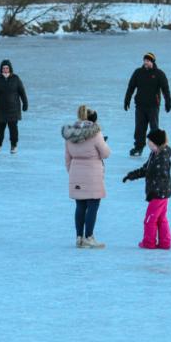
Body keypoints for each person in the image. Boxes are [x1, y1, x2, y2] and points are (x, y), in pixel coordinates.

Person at [63, 105, 110, 248]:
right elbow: (105, 153)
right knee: (93, 204)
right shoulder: (96, 134)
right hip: (93, 173)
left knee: (80, 205)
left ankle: (79, 237)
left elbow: (67, 157)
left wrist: (72, 171)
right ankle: (89, 237)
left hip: (76, 172)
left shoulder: (70, 134)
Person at [122, 129, 171, 249]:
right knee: (161, 218)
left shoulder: (162, 158)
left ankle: (149, 243)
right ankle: (165, 243)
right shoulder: (154, 154)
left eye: (149, 140)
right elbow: (146, 170)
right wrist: (132, 175)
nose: (148, 142)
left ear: (156, 142)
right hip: (161, 193)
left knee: (150, 219)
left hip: (158, 194)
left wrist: (154, 192)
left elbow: (162, 177)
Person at [124, 52, 171, 157]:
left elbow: (165, 89)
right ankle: (138, 148)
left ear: (152, 62)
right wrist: (127, 100)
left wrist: (168, 102)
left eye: (148, 60)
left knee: (154, 129)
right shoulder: (138, 72)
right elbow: (131, 87)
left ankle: (158, 149)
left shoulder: (159, 74)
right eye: (145, 60)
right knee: (139, 128)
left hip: (153, 107)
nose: (146, 62)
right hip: (140, 106)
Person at [0, 59, 28, 154]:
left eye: (7, 68)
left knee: (13, 129)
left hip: (13, 109)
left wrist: (25, 103)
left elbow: (22, 92)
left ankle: (14, 146)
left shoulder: (16, 78)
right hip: (1, 109)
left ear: (10, 69)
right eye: (3, 68)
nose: (5, 69)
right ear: (1, 69)